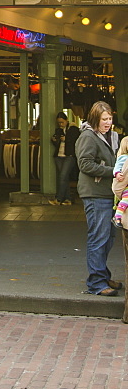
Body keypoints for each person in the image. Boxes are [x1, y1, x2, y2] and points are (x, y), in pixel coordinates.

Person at [75, 100, 121, 297]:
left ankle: (102, 275)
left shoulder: (112, 136)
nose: (108, 122)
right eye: (104, 119)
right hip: (95, 193)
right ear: (95, 118)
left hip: (108, 194)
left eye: (110, 118)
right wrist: (113, 171)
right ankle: (96, 283)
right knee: (99, 237)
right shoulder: (88, 137)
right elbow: (85, 164)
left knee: (108, 238)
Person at [49, 111, 80, 206]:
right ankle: (68, 199)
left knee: (62, 176)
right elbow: (57, 142)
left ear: (66, 120)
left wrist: (66, 139)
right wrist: (55, 140)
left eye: (62, 122)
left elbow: (76, 140)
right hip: (59, 155)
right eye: (59, 122)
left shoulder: (73, 129)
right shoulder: (58, 130)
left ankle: (58, 199)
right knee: (64, 178)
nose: (60, 124)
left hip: (69, 156)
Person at [112, 137, 128, 227]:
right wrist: (117, 174)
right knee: (126, 198)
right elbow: (117, 167)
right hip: (125, 186)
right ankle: (117, 215)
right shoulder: (124, 157)